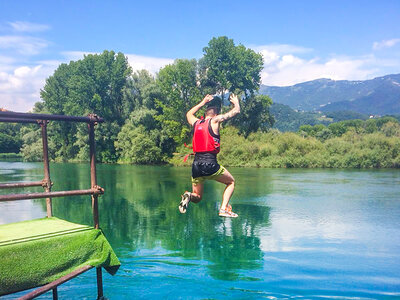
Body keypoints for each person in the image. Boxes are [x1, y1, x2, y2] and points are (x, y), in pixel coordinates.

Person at [179, 93, 241, 218]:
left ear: (205, 113)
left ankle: (189, 196)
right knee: (231, 182)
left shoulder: (196, 122)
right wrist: (236, 102)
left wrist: (202, 102)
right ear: (216, 114)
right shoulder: (215, 120)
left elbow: (188, 114)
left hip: (196, 165)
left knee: (197, 197)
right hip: (210, 163)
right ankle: (223, 209)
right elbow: (236, 111)